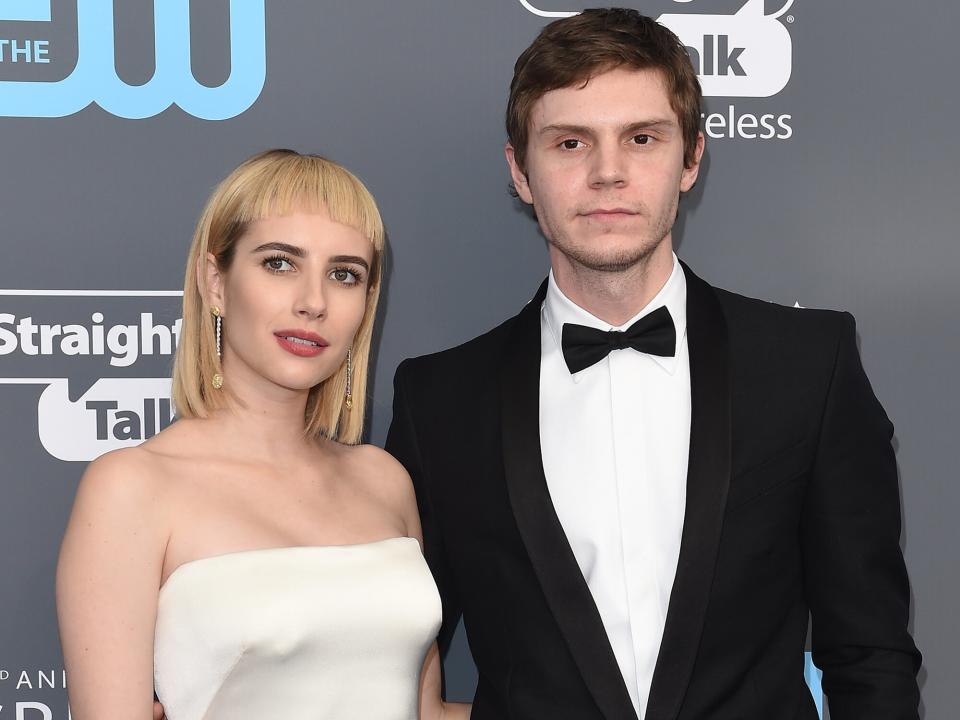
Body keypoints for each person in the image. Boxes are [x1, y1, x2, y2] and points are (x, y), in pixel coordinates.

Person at [385, 9, 921, 720]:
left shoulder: (807, 368)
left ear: (692, 158)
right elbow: (390, 664)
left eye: (641, 138)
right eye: (571, 142)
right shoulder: (440, 402)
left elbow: (870, 656)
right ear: (520, 171)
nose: (608, 173)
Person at [57, 149, 470, 720]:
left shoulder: (383, 480)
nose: (313, 302)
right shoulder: (132, 486)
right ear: (215, 282)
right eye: (280, 263)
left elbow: (426, 711)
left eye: (344, 274)